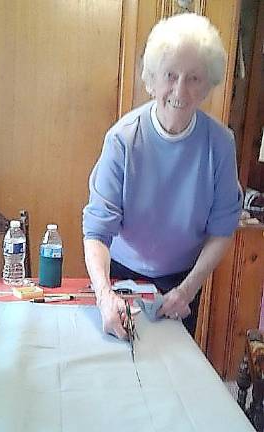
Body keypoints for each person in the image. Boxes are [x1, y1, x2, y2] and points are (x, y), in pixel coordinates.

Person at [82, 13, 242, 339]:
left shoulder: (220, 145)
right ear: (151, 79)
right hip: (120, 276)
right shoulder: (122, 140)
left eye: (194, 78)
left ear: (208, 84)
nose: (180, 91)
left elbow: (223, 227)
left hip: (183, 280)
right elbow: (97, 230)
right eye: (171, 75)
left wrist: (188, 289)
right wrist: (104, 295)